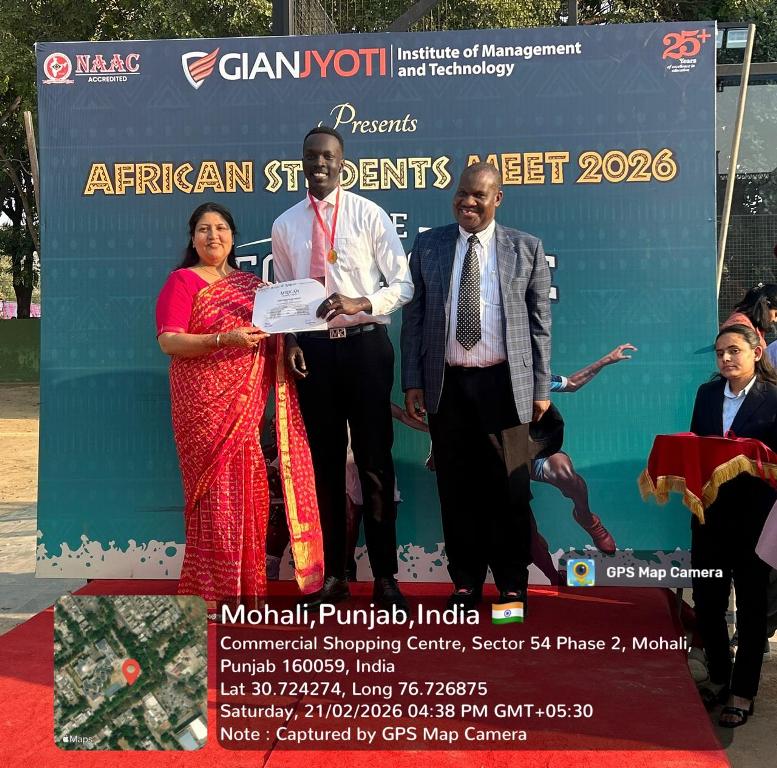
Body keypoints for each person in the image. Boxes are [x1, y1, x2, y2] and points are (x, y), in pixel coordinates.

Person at [271, 126, 413, 612]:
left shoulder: (369, 214)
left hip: (365, 347)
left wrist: (361, 301)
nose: (319, 164)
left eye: (328, 156)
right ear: (301, 163)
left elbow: (403, 285)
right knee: (325, 467)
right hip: (314, 356)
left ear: (342, 163)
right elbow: (286, 297)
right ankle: (334, 576)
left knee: (374, 464)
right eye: (311, 156)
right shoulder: (285, 225)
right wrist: (291, 340)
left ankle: (386, 579)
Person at [156, 202, 324, 613]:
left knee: (247, 489)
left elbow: (278, 331)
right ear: (192, 238)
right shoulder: (182, 281)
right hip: (200, 404)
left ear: (233, 237)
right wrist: (222, 340)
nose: (212, 236)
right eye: (203, 229)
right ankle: (211, 593)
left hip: (245, 408)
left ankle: (246, 591)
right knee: (213, 494)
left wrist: (290, 343)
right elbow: (169, 341)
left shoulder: (255, 288)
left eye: (220, 228)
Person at [401, 162, 551, 611]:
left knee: (511, 489)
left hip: (506, 387)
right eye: (461, 193)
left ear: (497, 199)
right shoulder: (428, 245)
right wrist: (413, 380)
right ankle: (465, 584)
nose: (467, 202)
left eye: (478, 195)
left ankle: (511, 586)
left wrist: (541, 387)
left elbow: (540, 325)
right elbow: (414, 319)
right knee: (456, 489)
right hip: (447, 387)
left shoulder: (526, 248)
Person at [689, 324, 777, 727]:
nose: (725, 358)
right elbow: (696, 448)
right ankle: (721, 678)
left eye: (734, 351)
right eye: (720, 352)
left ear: (756, 352)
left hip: (757, 521)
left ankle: (743, 692)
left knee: (753, 608)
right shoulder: (707, 394)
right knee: (708, 603)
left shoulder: (773, 397)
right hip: (709, 517)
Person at [532, 344, 637, 556]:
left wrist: (606, 360)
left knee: (564, 473)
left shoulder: (532, 380)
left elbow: (571, 383)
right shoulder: (480, 388)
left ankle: (586, 518)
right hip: (500, 459)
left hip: (534, 454)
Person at [722, 282, 777, 347]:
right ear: (764, 306)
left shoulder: (753, 325)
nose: (775, 320)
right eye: (776, 314)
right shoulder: (740, 326)